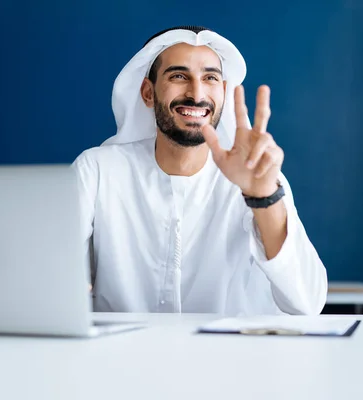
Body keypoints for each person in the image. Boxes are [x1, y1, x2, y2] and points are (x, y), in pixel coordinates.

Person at [73, 26, 327, 315]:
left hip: (230, 357)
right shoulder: (97, 171)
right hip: (119, 357)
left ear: (223, 93)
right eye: (179, 76)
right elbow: (53, 275)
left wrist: (262, 197)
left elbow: (306, 303)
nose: (196, 94)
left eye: (210, 78)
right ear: (147, 92)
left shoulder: (258, 177)